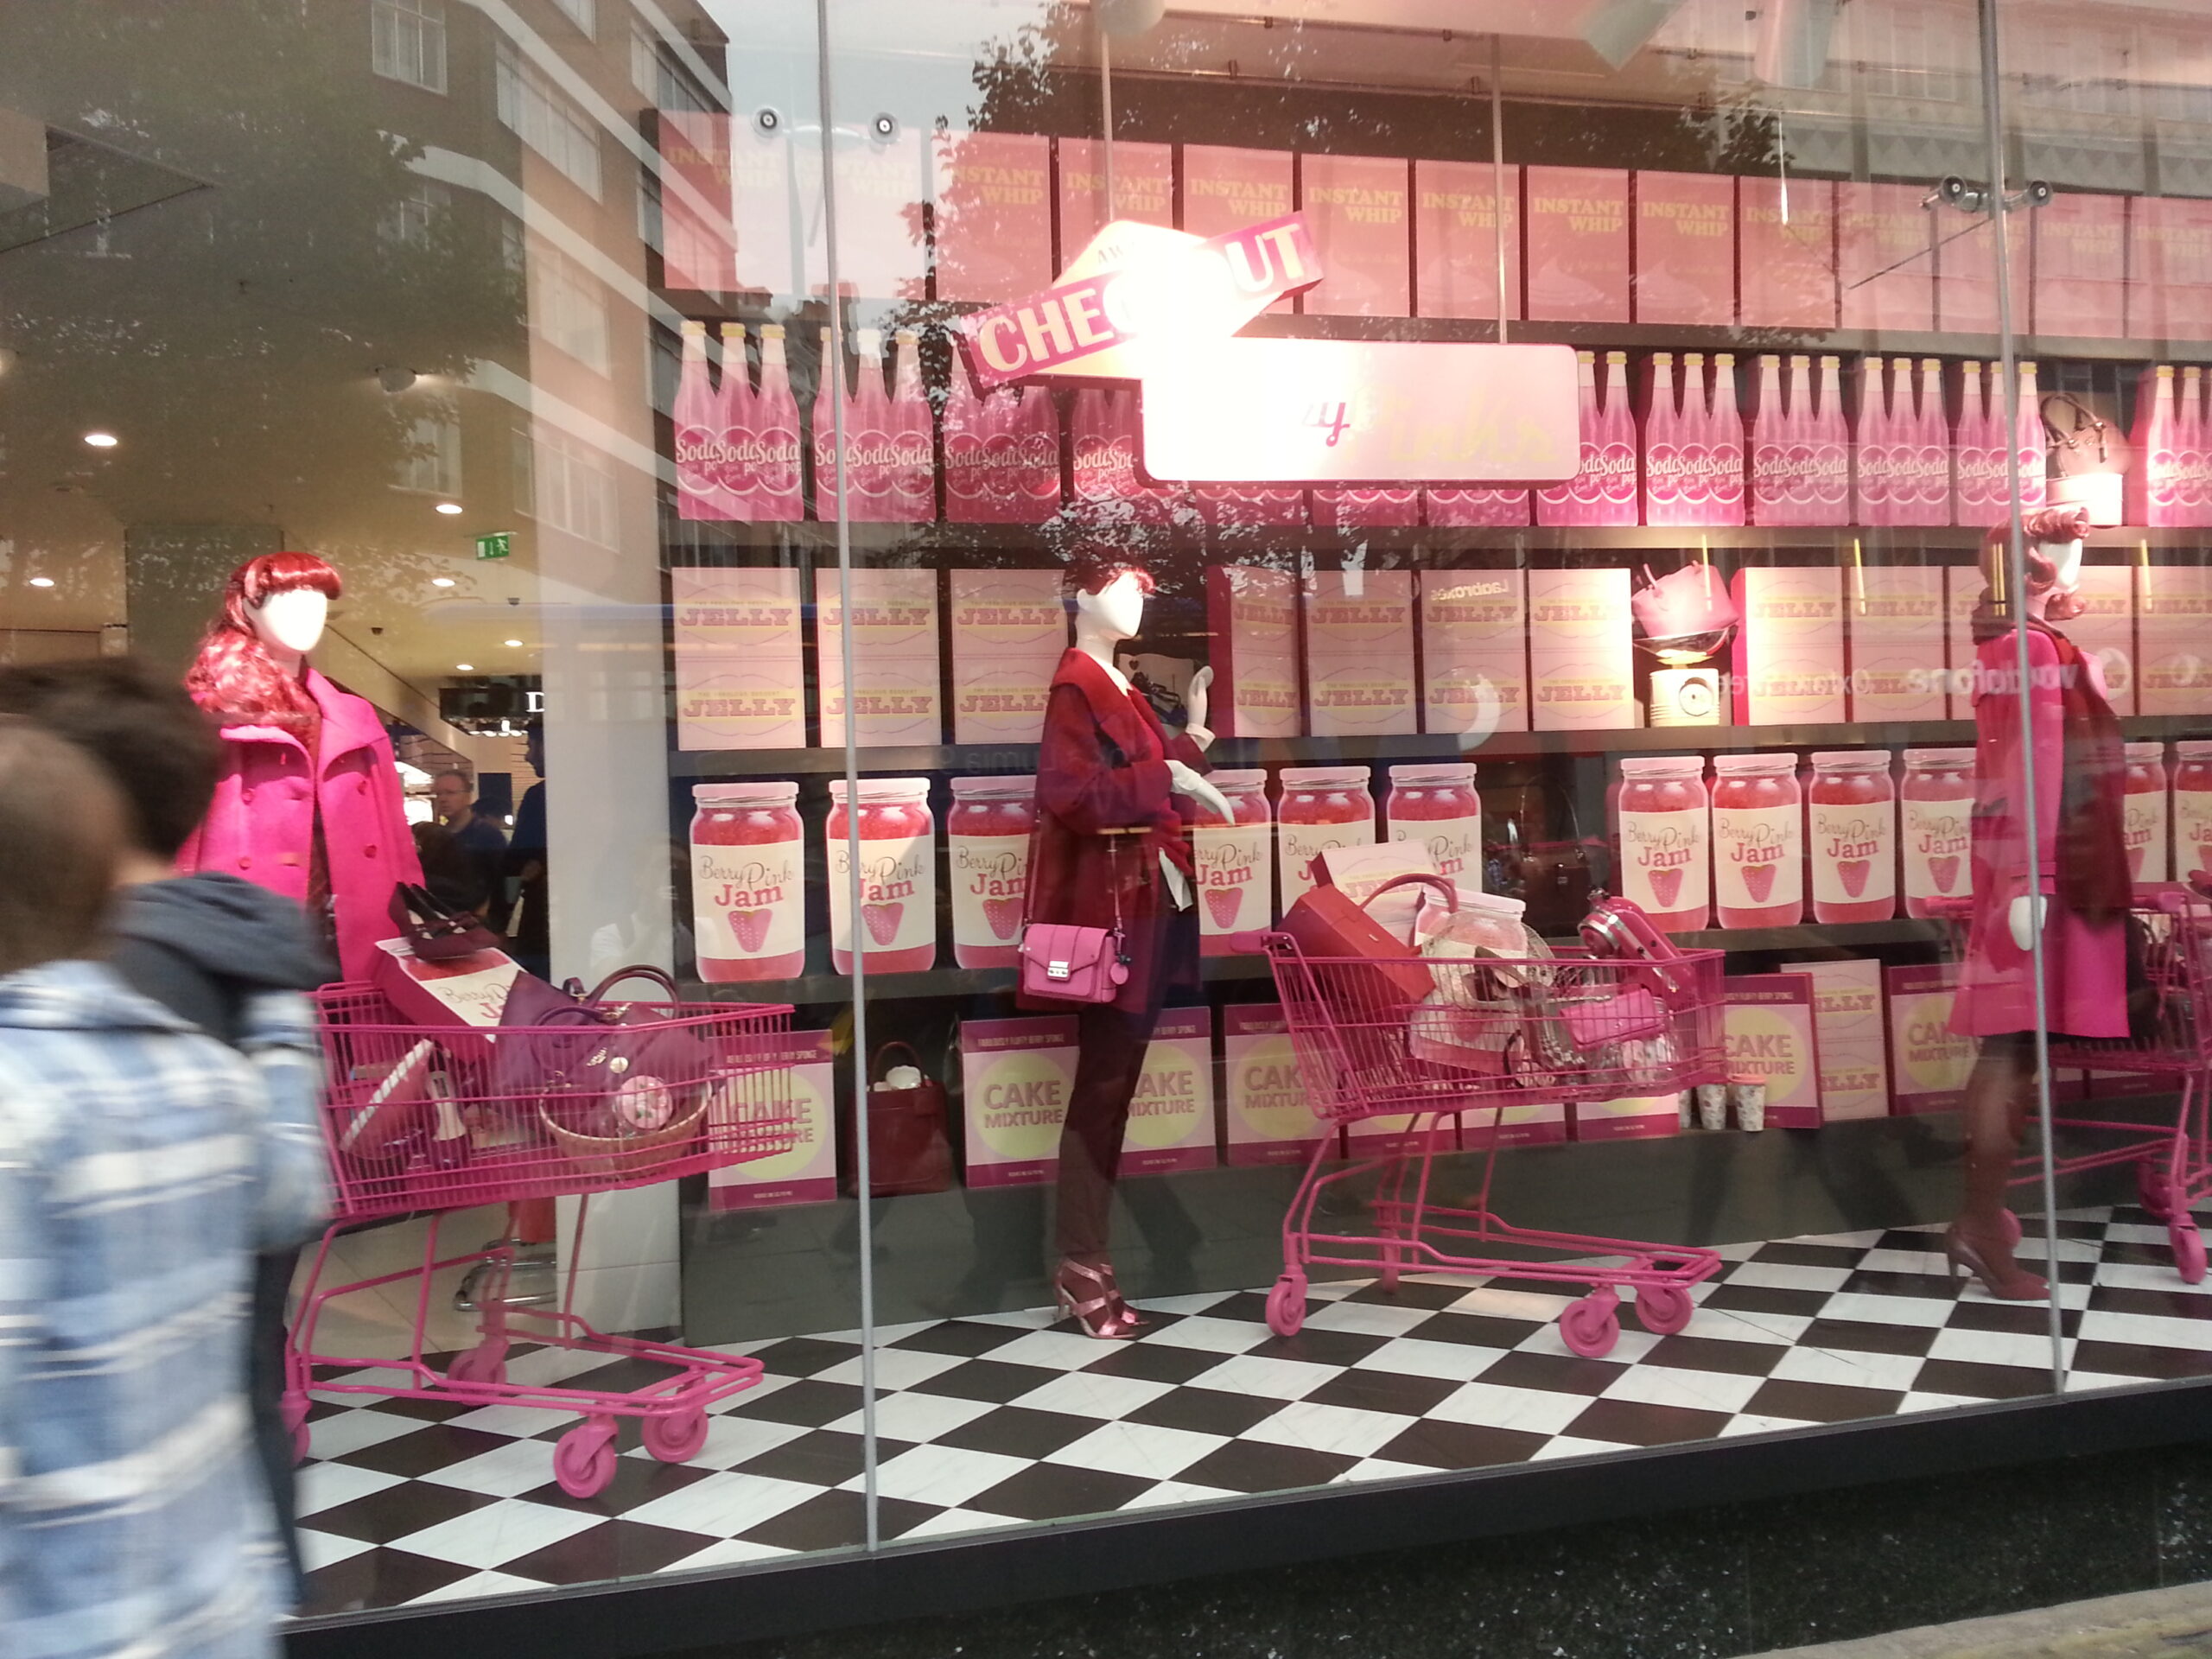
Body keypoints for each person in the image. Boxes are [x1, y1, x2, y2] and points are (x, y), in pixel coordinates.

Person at [0, 657, 334, 1604]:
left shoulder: (81, 1010)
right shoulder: (249, 958)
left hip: (80, 1586)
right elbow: (287, 1197)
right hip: (215, 1547)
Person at [1948, 505, 2131, 1300]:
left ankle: (1983, 1221)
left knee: (2016, 1052)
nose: (2076, 562)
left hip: (2039, 867)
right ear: (2031, 568)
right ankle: (1981, 1225)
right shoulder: (2025, 649)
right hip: (2042, 870)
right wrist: (2036, 880)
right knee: (2010, 1051)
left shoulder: (2020, 645)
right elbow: (2033, 767)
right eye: (2063, 550)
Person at [429, 767, 508, 922]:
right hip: (441, 920)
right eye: (439, 794)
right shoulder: (436, 837)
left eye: (450, 793)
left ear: (468, 797)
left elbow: (501, 882)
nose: (443, 799)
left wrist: (488, 918)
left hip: (477, 921)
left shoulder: (489, 836)